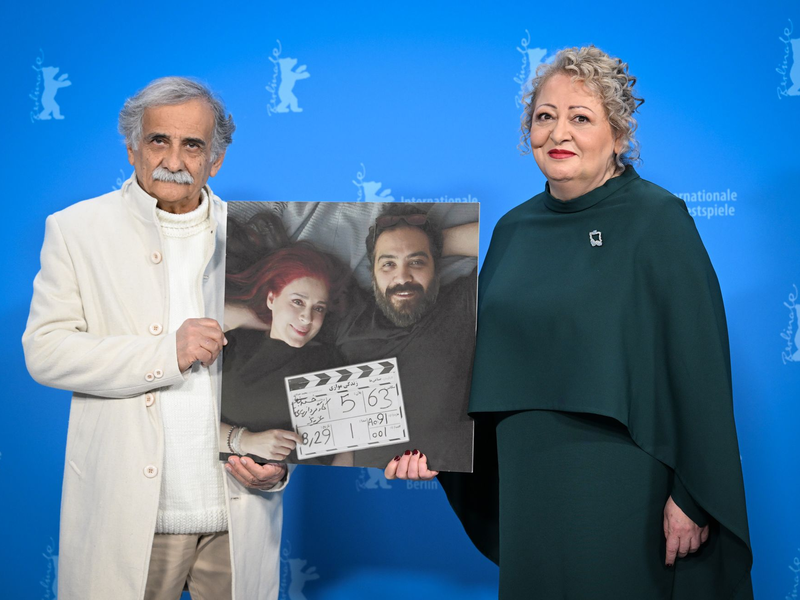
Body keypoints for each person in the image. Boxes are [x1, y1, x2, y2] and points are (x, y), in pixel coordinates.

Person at [387, 46, 753, 598]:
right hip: (526, 480)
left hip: (619, 483)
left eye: (581, 117)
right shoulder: (513, 230)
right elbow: (476, 365)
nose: (559, 132)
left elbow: (699, 366)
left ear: (620, 134)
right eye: (544, 116)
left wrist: (691, 495)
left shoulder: (658, 221)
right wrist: (431, 445)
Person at [22, 77, 288, 600]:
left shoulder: (258, 237)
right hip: (133, 517)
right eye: (158, 140)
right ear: (132, 148)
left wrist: (277, 467)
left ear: (216, 159)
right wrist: (166, 352)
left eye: (193, 145)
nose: (174, 158)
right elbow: (45, 352)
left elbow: (285, 368)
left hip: (235, 511)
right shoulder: (77, 231)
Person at [334, 204, 479, 472]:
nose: (402, 277)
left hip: (453, 486)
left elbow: (517, 241)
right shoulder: (347, 319)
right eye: (388, 263)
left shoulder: (463, 305)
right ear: (372, 272)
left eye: (416, 262)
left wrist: (436, 241)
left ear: (437, 265)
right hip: (359, 490)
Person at [221, 241, 353, 467]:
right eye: (297, 302)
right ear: (271, 299)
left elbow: (348, 446)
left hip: (302, 486)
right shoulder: (233, 341)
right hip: (227, 480)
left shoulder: (330, 360)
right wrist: (247, 441)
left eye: (318, 308)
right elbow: (189, 422)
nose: (307, 317)